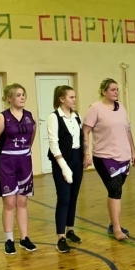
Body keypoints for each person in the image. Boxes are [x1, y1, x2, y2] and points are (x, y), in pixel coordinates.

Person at [83, 78, 135, 241]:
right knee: (115, 189)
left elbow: (128, 131)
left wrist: (133, 151)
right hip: (104, 156)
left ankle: (113, 223)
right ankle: (116, 228)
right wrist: (86, 153)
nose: (116, 92)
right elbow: (85, 131)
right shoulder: (95, 108)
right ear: (103, 91)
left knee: (116, 191)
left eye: (117, 89)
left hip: (123, 156)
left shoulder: (122, 108)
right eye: (113, 89)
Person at [0, 84, 36, 256]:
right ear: (9, 98)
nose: (22, 97)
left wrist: (23, 152)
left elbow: (31, 138)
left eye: (23, 94)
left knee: (22, 202)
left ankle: (24, 238)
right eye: (18, 95)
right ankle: (9, 240)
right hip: (6, 163)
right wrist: (3, 159)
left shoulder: (30, 117)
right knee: (9, 203)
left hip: (25, 162)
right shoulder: (2, 118)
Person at [46, 85, 85, 253]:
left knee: (73, 197)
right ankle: (60, 237)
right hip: (62, 160)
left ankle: (70, 230)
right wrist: (63, 166)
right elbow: (53, 144)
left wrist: (85, 155)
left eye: (75, 97)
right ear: (62, 99)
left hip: (77, 159)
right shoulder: (54, 117)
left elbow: (81, 139)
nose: (74, 100)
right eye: (71, 97)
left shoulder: (77, 116)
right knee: (64, 199)